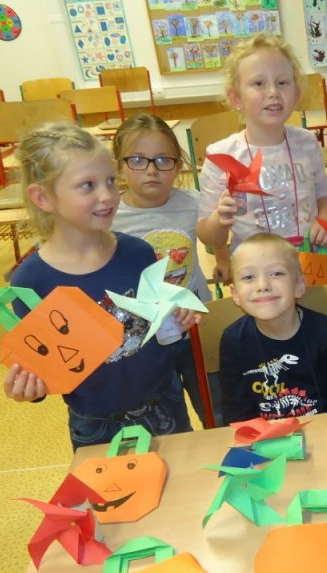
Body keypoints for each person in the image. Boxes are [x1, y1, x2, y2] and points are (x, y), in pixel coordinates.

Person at [2, 123, 198, 450]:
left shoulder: (138, 252)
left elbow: (160, 327)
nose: (107, 195)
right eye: (87, 185)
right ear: (43, 197)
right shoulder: (30, 283)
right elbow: (43, 366)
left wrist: (178, 315)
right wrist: (29, 389)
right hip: (95, 422)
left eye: (109, 181)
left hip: (163, 405)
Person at [197, 33, 327, 282]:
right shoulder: (220, 156)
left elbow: (323, 196)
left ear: (296, 94)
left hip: (309, 266)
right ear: (236, 98)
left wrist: (326, 220)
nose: (273, 92)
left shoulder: (307, 143)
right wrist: (220, 218)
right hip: (256, 276)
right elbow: (208, 236)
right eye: (259, 83)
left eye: (282, 82)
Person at [111, 114, 216, 425]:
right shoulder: (110, 216)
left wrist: (222, 258)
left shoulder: (194, 203)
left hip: (196, 325)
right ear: (119, 166)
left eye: (163, 160)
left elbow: (214, 237)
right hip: (146, 337)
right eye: (137, 160)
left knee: (215, 407)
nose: (152, 170)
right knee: (166, 420)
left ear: (178, 165)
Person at [219, 233, 327, 424]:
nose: (263, 285)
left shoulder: (325, 331)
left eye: (277, 273)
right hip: (266, 437)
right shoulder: (233, 340)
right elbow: (236, 413)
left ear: (299, 285)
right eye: (248, 277)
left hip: (325, 429)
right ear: (235, 294)